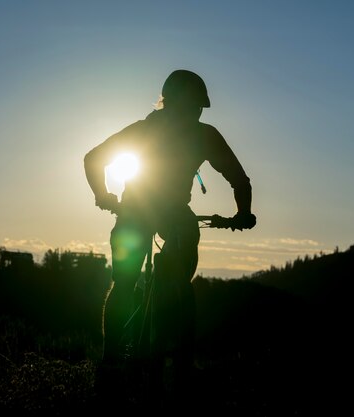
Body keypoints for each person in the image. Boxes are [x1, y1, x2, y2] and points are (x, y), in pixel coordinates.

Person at [84, 69, 256, 401]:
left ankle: (113, 363)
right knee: (169, 278)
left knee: (125, 283)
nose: (195, 113)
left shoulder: (146, 130)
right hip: (170, 214)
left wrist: (103, 196)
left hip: (136, 211)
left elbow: (94, 159)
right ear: (175, 103)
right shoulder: (203, 135)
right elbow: (240, 180)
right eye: (194, 106)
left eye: (198, 109)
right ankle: (176, 360)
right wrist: (242, 215)